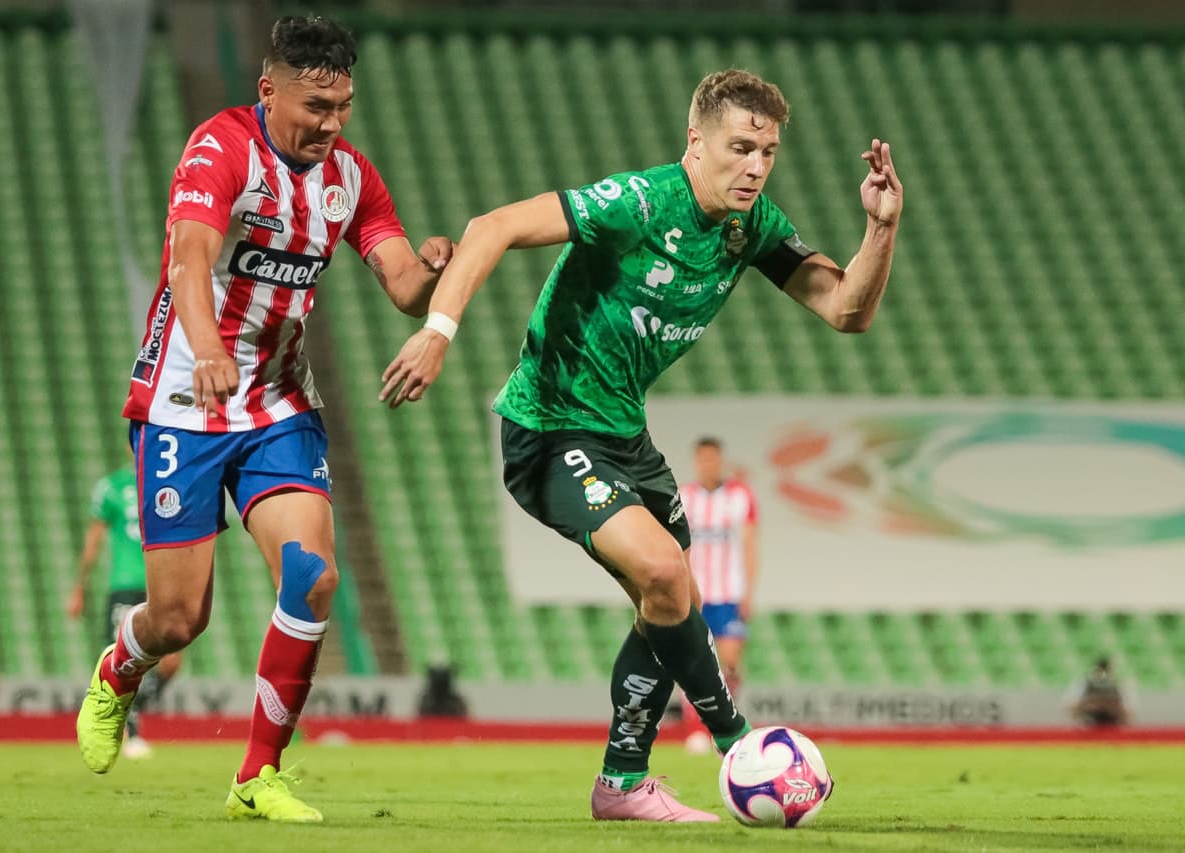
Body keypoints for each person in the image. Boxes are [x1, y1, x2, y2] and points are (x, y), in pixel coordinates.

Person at [381, 69, 902, 821]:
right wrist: (437, 331)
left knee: (665, 596)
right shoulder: (638, 202)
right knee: (665, 569)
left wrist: (880, 228)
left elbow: (846, 309)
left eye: (769, 151)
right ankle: (739, 743)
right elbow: (492, 225)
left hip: (625, 435)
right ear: (696, 143)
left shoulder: (747, 228)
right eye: (740, 147)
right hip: (549, 427)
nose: (755, 166)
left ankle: (622, 782)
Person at [75, 16, 454, 823]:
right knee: (181, 618)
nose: (332, 123)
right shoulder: (221, 148)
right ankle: (117, 669)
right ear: (268, 90)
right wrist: (208, 350)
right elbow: (189, 258)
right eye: (317, 105)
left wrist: (430, 269)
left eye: (344, 105)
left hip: (279, 402)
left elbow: (398, 284)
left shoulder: (349, 176)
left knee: (313, 576)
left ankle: (258, 772)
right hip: (184, 399)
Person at [67, 455, 183, 759]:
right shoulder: (111, 486)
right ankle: (131, 731)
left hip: (160, 582)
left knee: (171, 662)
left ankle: (126, 712)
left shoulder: (169, 481)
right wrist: (80, 586)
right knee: (125, 659)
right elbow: (94, 538)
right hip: (123, 584)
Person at [678, 437, 758, 754]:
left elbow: (751, 544)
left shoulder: (740, 496)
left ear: (720, 460)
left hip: (729, 593)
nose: (709, 464)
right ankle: (696, 729)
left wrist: (749, 591)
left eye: (713, 459)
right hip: (696, 593)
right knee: (693, 662)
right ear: (697, 461)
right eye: (703, 459)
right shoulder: (684, 496)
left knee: (730, 661)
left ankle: (725, 724)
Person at [1066, 657, 1131, 727]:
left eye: (1106, 670)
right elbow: (1071, 707)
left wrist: (1110, 706)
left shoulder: (1117, 684)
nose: (1103, 674)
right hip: (1088, 722)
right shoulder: (1085, 683)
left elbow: (1128, 710)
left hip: (1113, 722)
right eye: (1101, 670)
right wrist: (1092, 704)